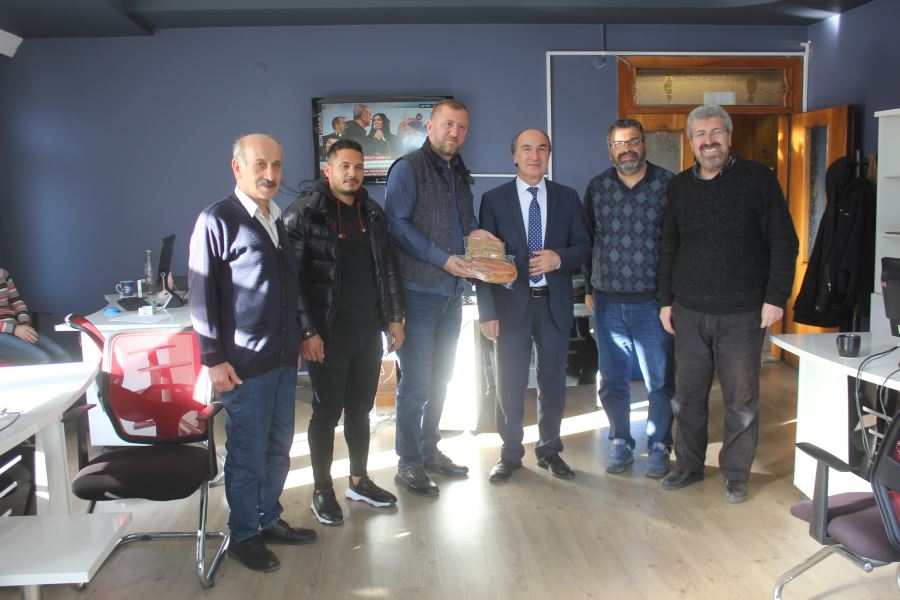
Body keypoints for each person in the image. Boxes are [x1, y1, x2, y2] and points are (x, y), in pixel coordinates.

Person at [188, 133, 317, 573]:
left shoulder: (275, 217)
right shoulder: (217, 219)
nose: (270, 173)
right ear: (237, 167)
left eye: (276, 165)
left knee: (278, 447)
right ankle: (243, 534)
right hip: (243, 365)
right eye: (260, 164)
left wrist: (295, 340)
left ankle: (268, 518)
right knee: (247, 452)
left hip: (281, 360)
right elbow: (201, 296)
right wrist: (213, 358)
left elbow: (286, 289)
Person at [657, 105, 798, 503]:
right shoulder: (679, 187)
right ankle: (688, 464)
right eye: (701, 134)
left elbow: (784, 241)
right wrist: (665, 300)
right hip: (689, 311)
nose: (709, 141)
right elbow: (668, 245)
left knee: (741, 400)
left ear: (729, 137)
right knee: (688, 397)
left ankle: (736, 472)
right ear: (691, 141)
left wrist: (775, 297)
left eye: (716, 132)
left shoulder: (758, 180)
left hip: (743, 312)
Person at [283, 138, 405, 526]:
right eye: (344, 167)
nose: (352, 174)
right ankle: (322, 489)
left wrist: (394, 317)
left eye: (358, 167)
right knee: (326, 411)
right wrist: (307, 332)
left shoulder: (372, 212)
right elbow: (290, 282)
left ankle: (359, 481)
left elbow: (387, 268)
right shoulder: (304, 213)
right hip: (327, 335)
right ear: (328, 170)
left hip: (368, 331)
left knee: (361, 410)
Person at [384, 99, 497, 496]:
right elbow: (396, 227)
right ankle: (408, 463)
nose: (455, 132)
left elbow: (463, 223)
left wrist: (476, 233)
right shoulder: (407, 168)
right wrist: (443, 259)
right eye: (448, 124)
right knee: (416, 383)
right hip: (418, 295)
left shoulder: (459, 173)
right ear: (430, 126)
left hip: (452, 294)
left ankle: (429, 450)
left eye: (462, 127)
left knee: (441, 379)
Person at [476, 129, 591, 482]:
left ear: (549, 155)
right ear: (515, 156)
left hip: (553, 305)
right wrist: (487, 312)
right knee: (509, 384)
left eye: (542, 148)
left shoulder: (567, 198)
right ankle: (510, 454)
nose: (534, 155)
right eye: (526, 148)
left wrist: (559, 258)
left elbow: (584, 247)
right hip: (510, 307)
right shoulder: (494, 200)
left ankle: (550, 451)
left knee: (553, 382)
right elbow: (485, 261)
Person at [582, 119, 675, 479]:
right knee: (612, 380)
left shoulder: (668, 185)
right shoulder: (598, 187)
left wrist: (670, 299)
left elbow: (677, 244)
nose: (627, 149)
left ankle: (660, 445)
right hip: (607, 303)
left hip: (653, 303)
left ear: (644, 144)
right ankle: (620, 441)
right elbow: (589, 241)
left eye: (633, 141)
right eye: (619, 144)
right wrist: (590, 288)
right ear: (610, 150)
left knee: (660, 382)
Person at [0, 267, 70, 364]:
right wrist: (14, 329)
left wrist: (24, 323)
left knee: (62, 355)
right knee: (42, 359)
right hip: (7, 331)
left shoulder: (3, 273)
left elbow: (17, 302)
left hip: (16, 327)